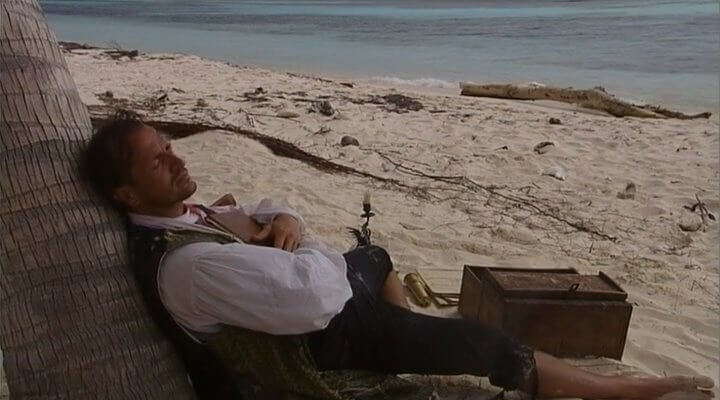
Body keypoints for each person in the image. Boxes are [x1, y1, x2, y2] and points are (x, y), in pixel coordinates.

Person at [83, 113, 713, 400]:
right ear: (126, 194)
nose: (177, 159)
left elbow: (264, 206)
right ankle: (619, 391)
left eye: (169, 145)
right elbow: (314, 295)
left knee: (378, 254)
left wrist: (289, 219)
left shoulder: (184, 215)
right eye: (158, 160)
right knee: (485, 345)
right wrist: (307, 240)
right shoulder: (188, 266)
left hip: (322, 306)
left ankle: (408, 336)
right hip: (321, 339)